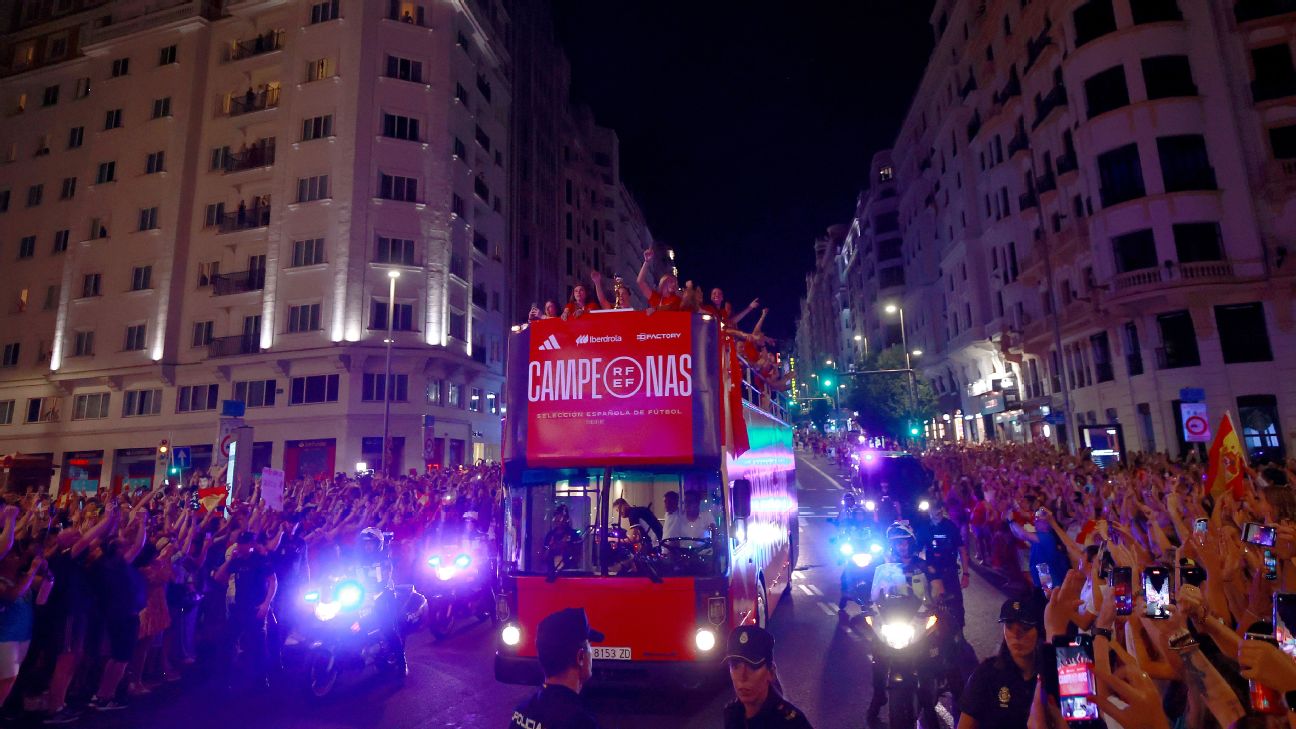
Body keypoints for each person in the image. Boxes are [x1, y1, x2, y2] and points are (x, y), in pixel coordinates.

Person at [508, 607, 602, 729]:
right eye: (589, 646)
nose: (591, 652)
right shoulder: (582, 722)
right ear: (580, 657)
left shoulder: (521, 712)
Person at [956, 598, 1040, 729]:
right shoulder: (986, 674)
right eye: (1009, 627)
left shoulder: (1051, 675)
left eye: (1025, 627)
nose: (1016, 635)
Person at [722, 625, 813, 728]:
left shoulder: (792, 723)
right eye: (735, 666)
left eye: (753, 666)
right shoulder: (732, 713)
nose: (742, 676)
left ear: (771, 672)